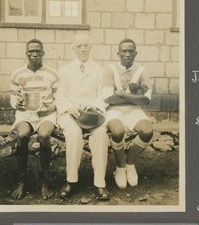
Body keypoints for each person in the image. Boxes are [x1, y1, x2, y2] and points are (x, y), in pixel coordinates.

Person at [56, 33, 110, 201]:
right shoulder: (64, 70)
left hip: (92, 114)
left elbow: (103, 96)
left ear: (91, 47)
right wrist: (70, 107)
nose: (83, 49)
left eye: (85, 45)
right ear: (73, 49)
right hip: (71, 113)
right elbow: (60, 95)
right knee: (73, 133)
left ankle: (100, 183)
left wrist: (93, 105)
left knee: (101, 134)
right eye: (79, 46)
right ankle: (71, 181)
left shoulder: (100, 71)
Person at [10, 39, 59, 200]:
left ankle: (45, 180)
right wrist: (17, 104)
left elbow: (59, 97)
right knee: (22, 135)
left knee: (44, 135)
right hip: (26, 115)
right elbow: (13, 98)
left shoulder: (52, 74)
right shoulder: (17, 74)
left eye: (38, 51)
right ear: (26, 54)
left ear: (43, 53)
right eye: (31, 51)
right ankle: (22, 180)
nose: (34, 54)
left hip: (46, 114)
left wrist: (53, 108)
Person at [102, 38, 153, 189]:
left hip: (133, 110)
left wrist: (121, 94)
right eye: (124, 51)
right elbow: (108, 98)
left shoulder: (141, 71)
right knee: (117, 131)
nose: (127, 54)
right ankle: (120, 167)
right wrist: (134, 95)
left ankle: (129, 163)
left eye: (131, 51)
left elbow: (146, 100)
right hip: (113, 110)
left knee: (147, 130)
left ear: (135, 53)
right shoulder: (110, 69)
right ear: (118, 53)